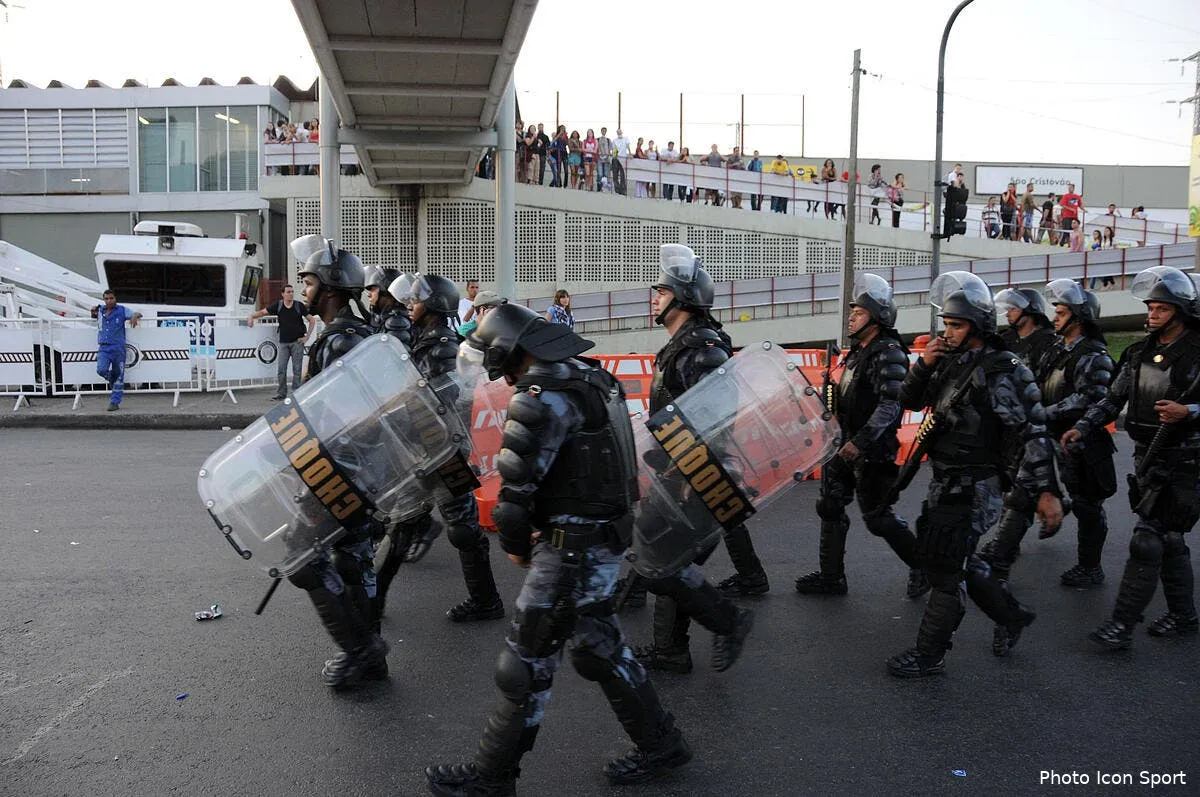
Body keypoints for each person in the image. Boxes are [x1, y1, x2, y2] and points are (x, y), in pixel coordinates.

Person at [427, 303, 693, 796]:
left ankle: (493, 777)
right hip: (600, 539)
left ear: (508, 351)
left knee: (525, 662)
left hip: (569, 549)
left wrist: (515, 546)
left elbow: (514, 498)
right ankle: (662, 744)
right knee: (598, 648)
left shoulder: (539, 396)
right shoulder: (592, 377)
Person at [889, 271, 1063, 677]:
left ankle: (929, 654)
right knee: (955, 560)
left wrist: (1046, 491)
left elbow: (1033, 431)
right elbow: (908, 401)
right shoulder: (952, 363)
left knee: (946, 571)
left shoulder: (1003, 370)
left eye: (956, 325)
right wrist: (924, 365)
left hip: (977, 483)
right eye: (946, 324)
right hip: (945, 478)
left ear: (978, 326)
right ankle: (1012, 615)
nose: (947, 333)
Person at [620, 245, 758, 674]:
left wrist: (687, 475)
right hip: (678, 469)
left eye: (662, 292)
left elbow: (716, 422)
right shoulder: (682, 345)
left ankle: (719, 625)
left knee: (669, 561)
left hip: (697, 475)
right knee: (658, 553)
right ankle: (669, 646)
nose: (654, 298)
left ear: (683, 298)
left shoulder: (704, 350)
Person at [1064, 266, 1200, 649]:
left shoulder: (1196, 354)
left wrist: (1189, 412)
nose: (1152, 314)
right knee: (1168, 538)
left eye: (1161, 308)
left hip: (1186, 458)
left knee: (1147, 539)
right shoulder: (1139, 353)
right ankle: (1184, 615)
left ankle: (1122, 625)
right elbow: (1113, 399)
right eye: (1151, 307)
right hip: (1146, 454)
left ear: (1180, 312)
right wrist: (1084, 426)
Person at [289, 239, 389, 688]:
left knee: (301, 558)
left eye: (309, 281)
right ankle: (369, 655)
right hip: (358, 472)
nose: (303, 288)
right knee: (354, 562)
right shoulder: (353, 334)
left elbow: (345, 419)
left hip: (337, 471)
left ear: (329, 287)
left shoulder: (341, 340)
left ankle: (361, 649)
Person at [794, 274, 928, 600]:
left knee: (878, 518)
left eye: (859, 312)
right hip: (842, 443)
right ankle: (831, 577)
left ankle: (924, 568)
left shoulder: (890, 353)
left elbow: (890, 406)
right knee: (830, 504)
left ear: (877, 317)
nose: (851, 317)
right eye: (852, 311)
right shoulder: (855, 352)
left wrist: (861, 442)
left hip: (872, 450)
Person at [983, 281, 1115, 592]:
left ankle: (1090, 568)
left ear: (1080, 317)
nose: (1055, 317)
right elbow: (1036, 382)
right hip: (1046, 437)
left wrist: (1046, 411)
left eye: (1062, 312)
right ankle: (999, 559)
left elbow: (1092, 396)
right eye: (1056, 311)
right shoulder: (1055, 348)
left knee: (1087, 506)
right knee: (1020, 494)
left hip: (1082, 442)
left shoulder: (1094, 354)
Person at [389, 274, 506, 622]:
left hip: (444, 452)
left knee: (463, 528)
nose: (410, 305)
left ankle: (486, 601)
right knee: (403, 520)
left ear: (433, 306)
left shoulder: (442, 347)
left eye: (416, 301)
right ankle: (373, 600)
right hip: (427, 450)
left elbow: (441, 400)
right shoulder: (425, 341)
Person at [248, 284, 315, 401]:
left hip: (297, 342)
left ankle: (296, 394)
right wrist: (251, 316)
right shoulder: (278, 305)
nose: (291, 294)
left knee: (297, 370)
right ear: (283, 294)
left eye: (292, 292)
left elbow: (312, 320)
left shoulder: (299, 306)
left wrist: (307, 337)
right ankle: (281, 394)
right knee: (281, 370)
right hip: (283, 343)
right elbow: (263, 312)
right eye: (288, 292)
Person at [91, 290, 142, 411]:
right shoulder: (101, 310)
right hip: (104, 347)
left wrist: (134, 316)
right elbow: (93, 316)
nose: (109, 301)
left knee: (119, 375)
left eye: (111, 298)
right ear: (104, 300)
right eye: (106, 299)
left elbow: (137, 313)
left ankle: (115, 402)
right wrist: (92, 311)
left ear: (115, 298)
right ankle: (111, 378)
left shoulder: (122, 310)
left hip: (118, 347)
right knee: (101, 369)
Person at [996, 287, 1057, 368]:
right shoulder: (1004, 340)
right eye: (1008, 309)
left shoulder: (1048, 341)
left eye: (1013, 309)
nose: (1008, 314)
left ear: (1030, 309)